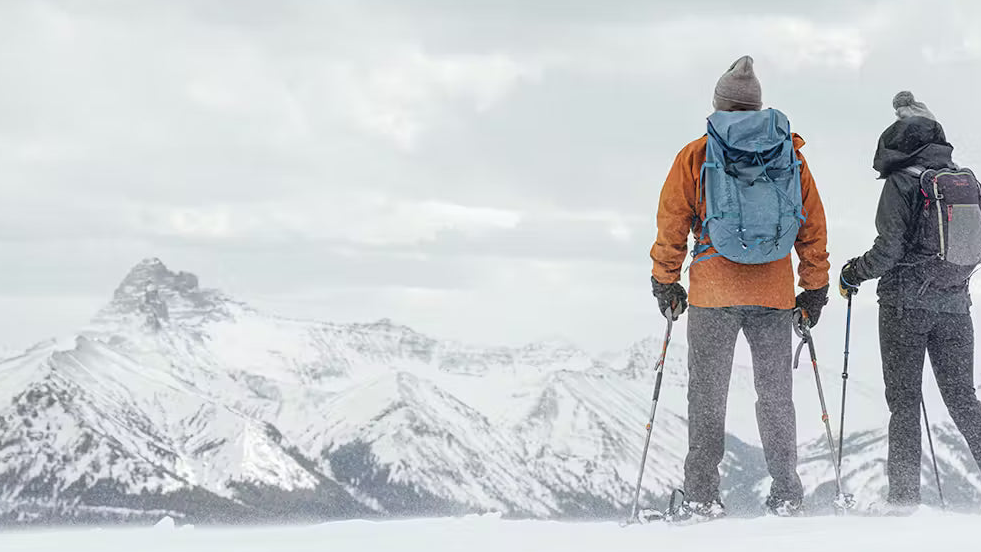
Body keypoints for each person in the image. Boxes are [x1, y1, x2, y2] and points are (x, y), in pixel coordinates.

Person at [649, 55, 830, 520]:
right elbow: (812, 226)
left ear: (719, 104)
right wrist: (813, 288)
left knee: (707, 397)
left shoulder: (697, 154)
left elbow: (673, 221)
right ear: (758, 106)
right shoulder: (789, 155)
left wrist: (665, 280)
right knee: (775, 396)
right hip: (773, 292)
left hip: (714, 292)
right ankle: (787, 494)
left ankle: (701, 498)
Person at [839, 91, 981, 513]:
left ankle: (903, 500)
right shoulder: (964, 181)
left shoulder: (902, 182)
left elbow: (888, 251)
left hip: (905, 307)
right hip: (956, 305)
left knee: (904, 403)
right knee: (963, 399)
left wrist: (853, 273)